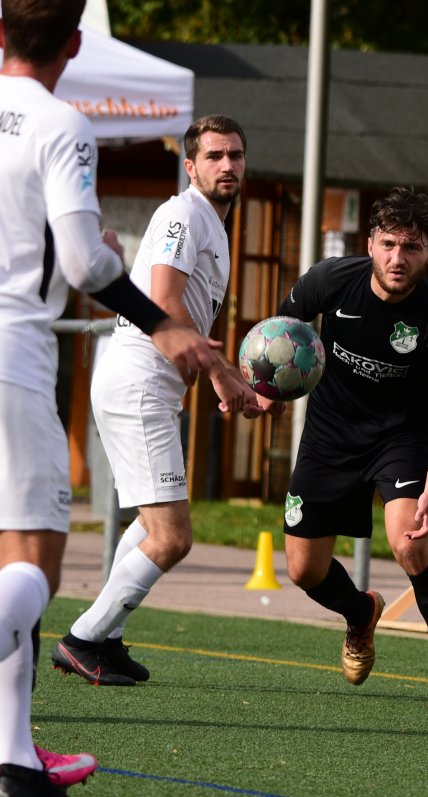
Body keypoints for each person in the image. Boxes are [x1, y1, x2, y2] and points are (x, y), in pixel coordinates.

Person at [0, 1, 223, 794]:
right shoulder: (61, 124)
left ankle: (16, 758)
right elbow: (82, 268)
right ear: (75, 42)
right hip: (14, 357)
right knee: (33, 568)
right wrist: (165, 326)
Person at [53, 114, 282, 687]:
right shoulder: (183, 213)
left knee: (151, 524)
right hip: (137, 382)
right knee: (172, 537)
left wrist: (221, 377)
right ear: (191, 166)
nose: (227, 165)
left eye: (235, 155)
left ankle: (103, 637)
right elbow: (164, 299)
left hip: (148, 386)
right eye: (213, 156)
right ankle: (82, 638)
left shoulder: (214, 223)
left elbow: (186, 315)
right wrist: (226, 377)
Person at [278, 186, 428, 712]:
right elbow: (282, 334)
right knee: (302, 569)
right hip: (328, 435)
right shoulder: (330, 280)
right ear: (369, 243)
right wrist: (267, 392)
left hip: (400, 440)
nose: (397, 257)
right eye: (388, 243)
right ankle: (361, 612)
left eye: (411, 247)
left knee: (409, 544)